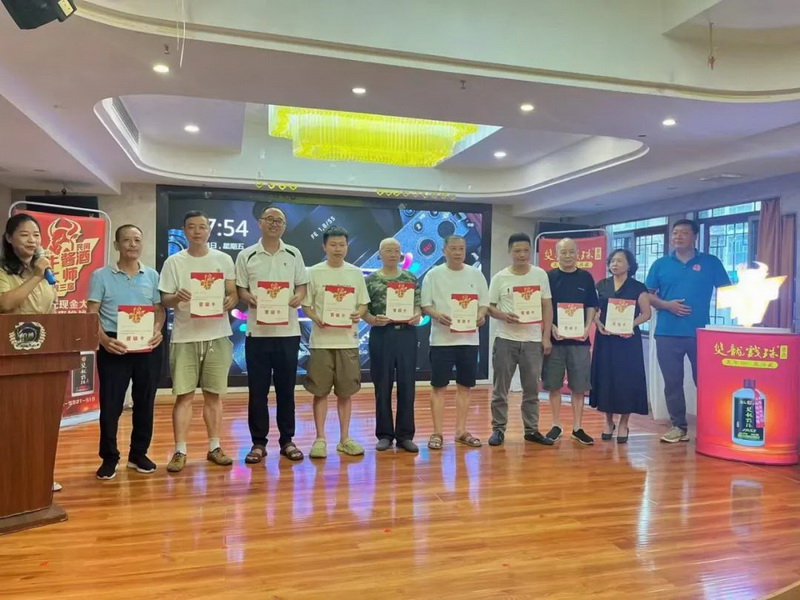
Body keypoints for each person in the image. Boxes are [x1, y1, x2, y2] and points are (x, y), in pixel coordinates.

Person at [159, 210, 238, 472]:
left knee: (214, 395)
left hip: (217, 335)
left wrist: (230, 300)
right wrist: (176, 298)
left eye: (202, 227)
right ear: (184, 231)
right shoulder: (174, 262)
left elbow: (232, 293)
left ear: (209, 230)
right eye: (191, 227)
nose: (197, 231)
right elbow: (164, 300)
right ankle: (180, 451)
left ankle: (215, 446)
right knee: (184, 396)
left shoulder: (223, 259)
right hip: (185, 336)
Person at [87, 224, 165, 479]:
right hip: (114, 344)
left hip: (147, 345)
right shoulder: (101, 276)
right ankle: (109, 457)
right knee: (111, 404)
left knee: (145, 401)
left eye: (137, 240)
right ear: (116, 245)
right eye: (127, 240)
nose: (133, 244)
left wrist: (157, 330)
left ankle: (138, 454)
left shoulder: (152, 275)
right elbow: (91, 313)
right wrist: (103, 340)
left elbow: (159, 310)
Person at [646, 219, 730, 443]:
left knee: (705, 381)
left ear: (695, 236)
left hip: (701, 333)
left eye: (683, 233)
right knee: (672, 382)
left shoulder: (710, 262)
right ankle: (678, 427)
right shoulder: (661, 264)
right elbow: (647, 295)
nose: (678, 237)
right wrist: (667, 305)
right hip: (667, 332)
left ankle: (712, 426)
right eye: (675, 233)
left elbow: (728, 292)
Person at [235, 206, 307, 463]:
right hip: (258, 333)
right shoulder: (246, 255)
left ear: (285, 226)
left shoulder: (294, 253)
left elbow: (302, 285)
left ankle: (287, 440)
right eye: (270, 219)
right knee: (258, 391)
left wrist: (298, 296)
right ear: (260, 223)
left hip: (288, 332)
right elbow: (240, 288)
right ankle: (258, 443)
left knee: (286, 390)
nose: (275, 224)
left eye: (280, 221)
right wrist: (249, 298)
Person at [0, 213, 61, 492]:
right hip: (10, 355)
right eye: (24, 234)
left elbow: (50, 309)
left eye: (36, 235)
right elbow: (6, 304)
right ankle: (10, 480)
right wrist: (37, 275)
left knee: (41, 419)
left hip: (43, 355)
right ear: (9, 238)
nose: (32, 240)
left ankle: (39, 476)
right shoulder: (5, 271)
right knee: (12, 421)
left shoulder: (44, 271)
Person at [302, 225, 370, 459]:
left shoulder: (355, 272)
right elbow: (307, 305)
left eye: (342, 244)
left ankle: (345, 438)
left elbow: (363, 303)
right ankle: (320, 439)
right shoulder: (314, 272)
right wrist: (315, 318)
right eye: (333, 244)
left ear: (347, 246)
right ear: (324, 246)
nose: (338, 249)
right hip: (321, 342)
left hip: (347, 341)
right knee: (320, 392)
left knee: (345, 392)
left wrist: (359, 313)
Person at [421, 235, 489, 449]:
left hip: (469, 340)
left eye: (461, 248)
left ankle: (461, 431)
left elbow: (484, 303)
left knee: (465, 387)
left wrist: (481, 315)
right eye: (453, 248)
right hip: (442, 340)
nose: (458, 252)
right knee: (438, 387)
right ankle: (437, 432)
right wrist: (437, 315)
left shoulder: (476, 274)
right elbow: (425, 305)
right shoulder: (433, 274)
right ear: (444, 250)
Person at [487, 232, 554, 447]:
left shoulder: (540, 275)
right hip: (505, 339)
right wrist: (503, 316)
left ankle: (531, 430)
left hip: (533, 340)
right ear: (510, 252)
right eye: (517, 251)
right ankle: (498, 429)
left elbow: (547, 306)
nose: (522, 254)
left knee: (532, 389)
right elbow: (489, 307)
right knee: (500, 389)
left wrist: (546, 336)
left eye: (526, 250)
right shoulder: (500, 277)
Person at [364, 238, 421, 453]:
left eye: (396, 250)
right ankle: (385, 435)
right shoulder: (370, 280)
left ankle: (405, 435)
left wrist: (417, 314)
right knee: (382, 385)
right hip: (382, 334)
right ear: (380, 254)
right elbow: (363, 309)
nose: (393, 254)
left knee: (407, 385)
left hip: (406, 334)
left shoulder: (410, 278)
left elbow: (418, 305)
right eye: (388, 250)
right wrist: (372, 320)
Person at [589, 248, 651, 443]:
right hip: (606, 339)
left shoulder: (638, 287)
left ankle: (624, 423)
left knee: (626, 381)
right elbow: (593, 311)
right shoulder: (601, 285)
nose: (614, 264)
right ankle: (608, 422)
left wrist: (629, 325)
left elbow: (646, 314)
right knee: (606, 379)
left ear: (629, 265)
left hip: (627, 341)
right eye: (612, 261)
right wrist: (597, 324)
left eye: (619, 261)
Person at [542, 238, 599, 445]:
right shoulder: (548, 277)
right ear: (556, 254)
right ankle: (556, 425)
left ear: (578, 254)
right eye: (563, 252)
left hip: (579, 341)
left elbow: (591, 305)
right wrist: (552, 327)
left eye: (571, 252)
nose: (567, 256)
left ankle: (577, 427)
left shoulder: (586, 277)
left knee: (579, 386)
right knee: (553, 385)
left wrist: (586, 327)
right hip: (555, 341)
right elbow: (543, 306)